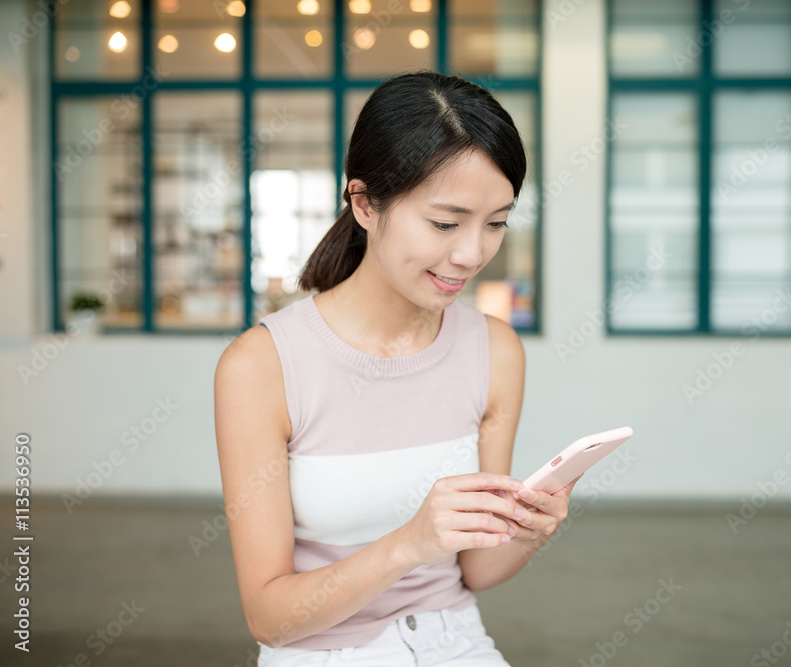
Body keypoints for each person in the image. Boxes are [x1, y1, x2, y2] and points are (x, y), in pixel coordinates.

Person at [214, 71, 582, 666]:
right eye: (444, 222)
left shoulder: (495, 350)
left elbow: (478, 570)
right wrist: (409, 544)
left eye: (496, 223)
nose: (471, 254)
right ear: (363, 202)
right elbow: (270, 618)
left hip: (457, 642)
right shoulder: (261, 367)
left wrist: (530, 530)